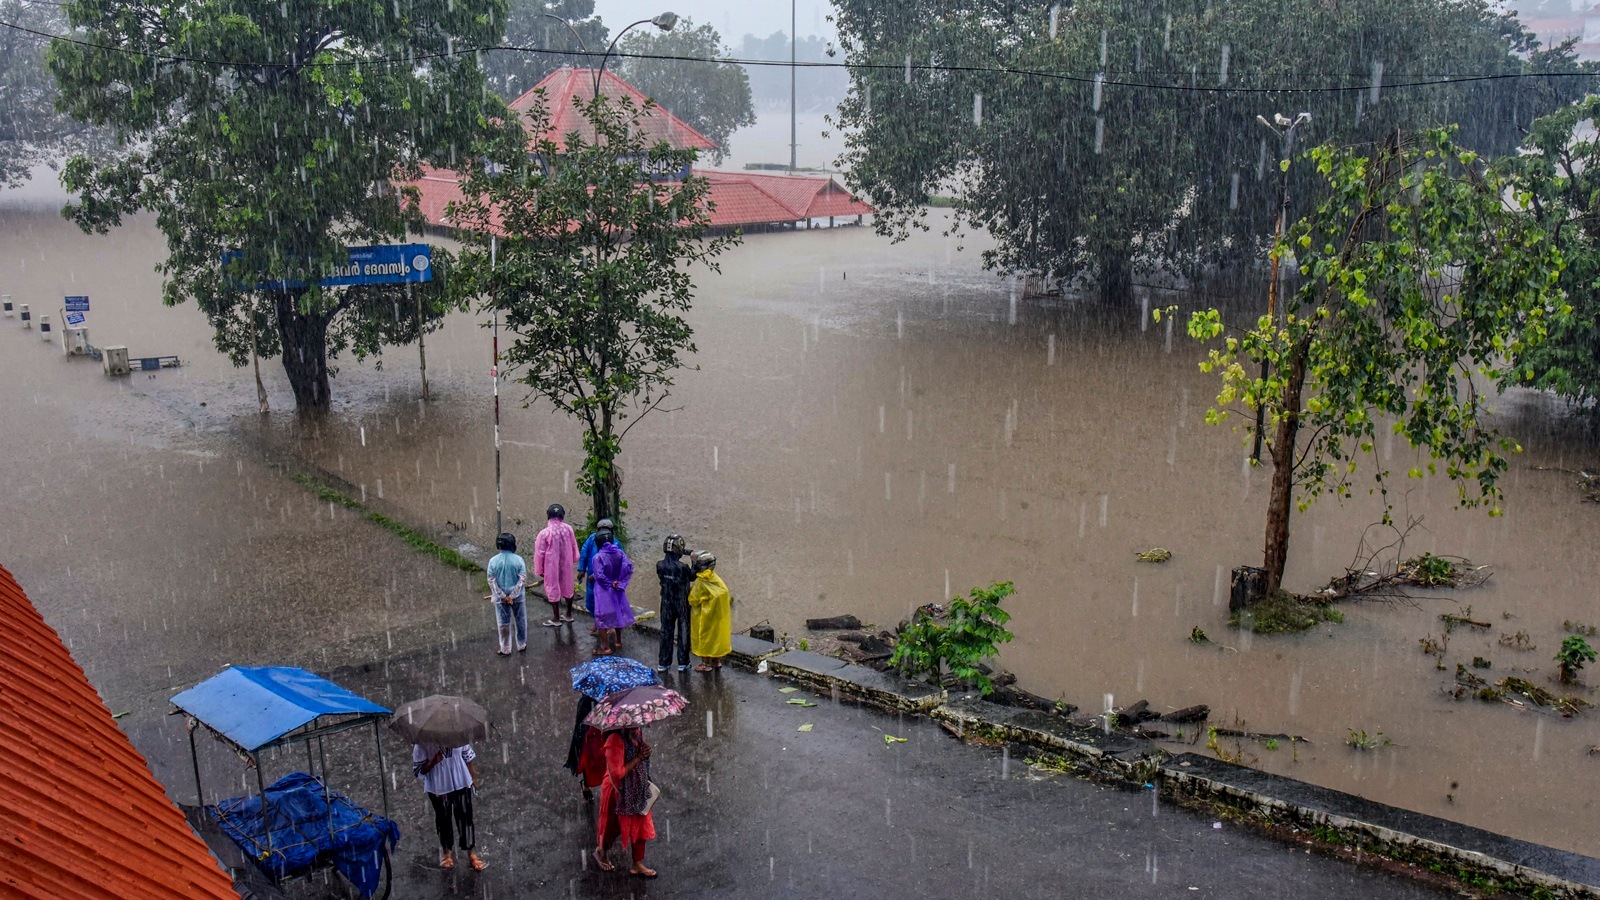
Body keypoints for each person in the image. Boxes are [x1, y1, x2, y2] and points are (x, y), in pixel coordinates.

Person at [593, 727, 656, 878]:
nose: (638, 723)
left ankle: (637, 863)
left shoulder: (636, 731)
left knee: (641, 823)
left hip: (637, 788)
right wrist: (639, 757)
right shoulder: (614, 740)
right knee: (612, 827)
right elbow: (617, 773)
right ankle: (601, 852)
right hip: (618, 792)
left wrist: (646, 750)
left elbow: (638, 751)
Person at [412, 742, 485, 871]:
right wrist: (433, 761)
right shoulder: (423, 743)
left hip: (461, 781)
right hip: (438, 785)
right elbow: (419, 770)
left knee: (466, 818)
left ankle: (471, 853)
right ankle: (447, 853)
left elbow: (467, 758)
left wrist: (473, 777)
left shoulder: (457, 737)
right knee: (443, 819)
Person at [589, 528, 635, 656]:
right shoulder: (620, 553)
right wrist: (620, 582)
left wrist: (609, 582)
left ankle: (605, 647)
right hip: (618, 589)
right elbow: (629, 568)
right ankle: (618, 641)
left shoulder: (598, 557)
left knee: (601, 617)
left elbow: (599, 575)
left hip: (603, 591)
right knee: (618, 613)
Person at [533, 503, 580, 627]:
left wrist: (540, 569)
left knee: (553, 587)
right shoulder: (568, 529)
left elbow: (539, 553)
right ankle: (568, 614)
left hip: (551, 565)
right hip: (566, 563)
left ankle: (556, 618)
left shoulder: (544, 533)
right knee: (568, 586)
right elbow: (574, 545)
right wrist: (574, 558)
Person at [655, 534, 694, 673]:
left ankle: (663, 662)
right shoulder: (683, 567)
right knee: (683, 631)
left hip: (666, 601)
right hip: (681, 602)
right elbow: (693, 576)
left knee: (665, 631)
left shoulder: (660, 565)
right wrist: (693, 558)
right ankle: (683, 662)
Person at [688, 551, 731, 672]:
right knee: (717, 638)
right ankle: (717, 661)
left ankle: (706, 664)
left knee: (705, 639)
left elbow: (693, 600)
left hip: (705, 616)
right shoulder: (715, 578)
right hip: (719, 616)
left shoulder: (701, 581)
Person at [487, 532, 529, 655]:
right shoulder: (518, 560)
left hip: (500, 598)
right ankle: (521, 644)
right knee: (520, 620)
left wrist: (503, 596)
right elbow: (522, 579)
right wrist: (512, 595)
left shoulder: (493, 561)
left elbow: (491, 580)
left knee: (503, 623)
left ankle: (505, 648)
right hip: (518, 597)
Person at [563, 694, 606, 801]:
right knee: (589, 756)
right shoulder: (586, 703)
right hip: (590, 724)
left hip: (602, 716)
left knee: (604, 756)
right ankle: (586, 784)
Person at [577, 518, 615, 632]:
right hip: (592, 580)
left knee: (608, 602)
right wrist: (581, 569)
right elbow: (584, 552)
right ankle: (597, 621)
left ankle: (609, 625)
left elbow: (615, 563)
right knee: (592, 602)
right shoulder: (592, 539)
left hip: (607, 580)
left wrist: (597, 575)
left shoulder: (615, 543)